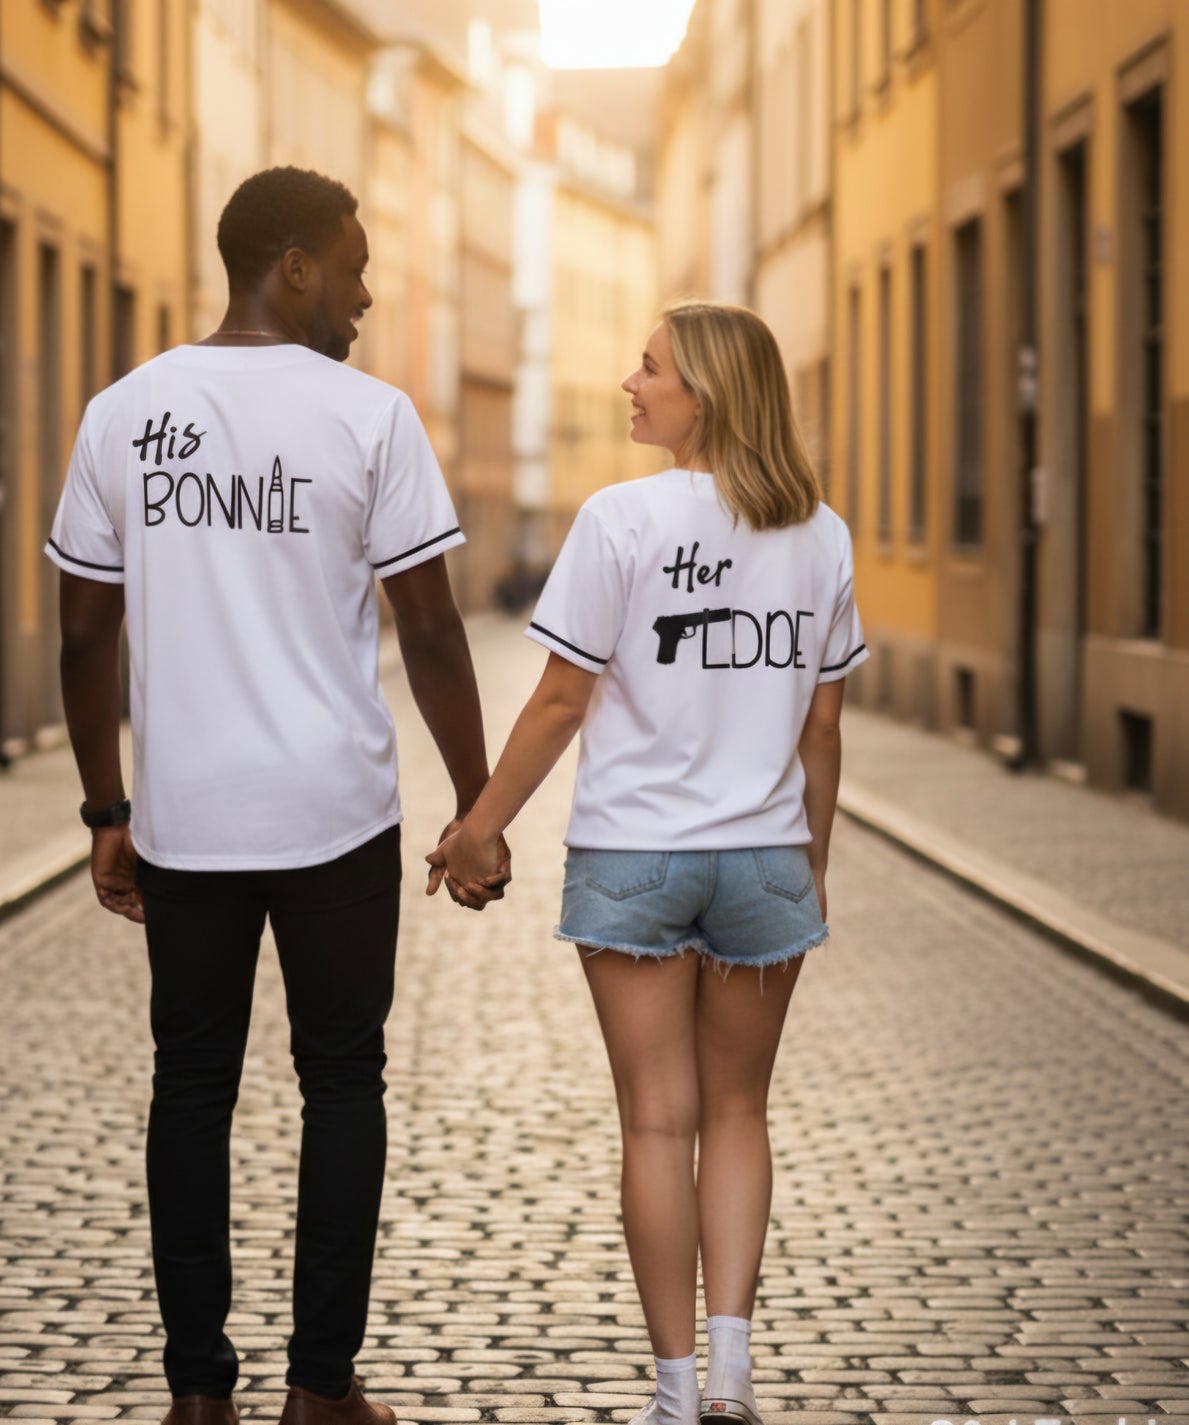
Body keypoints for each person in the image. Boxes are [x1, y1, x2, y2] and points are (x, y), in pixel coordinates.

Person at [50, 165, 509, 1425]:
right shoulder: (371, 419)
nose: (366, 295)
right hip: (332, 817)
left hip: (188, 815)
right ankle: (319, 1392)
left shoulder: (123, 414)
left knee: (190, 1088)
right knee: (341, 1082)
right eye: (354, 267)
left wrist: (108, 812)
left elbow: (85, 638)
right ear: (294, 264)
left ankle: (198, 1397)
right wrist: (476, 808)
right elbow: (427, 631)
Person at [427, 300, 868, 1425]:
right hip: (762, 855)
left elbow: (563, 699)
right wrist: (808, 862)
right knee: (738, 1115)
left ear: (704, 395)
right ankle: (730, 1379)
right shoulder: (818, 533)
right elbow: (821, 732)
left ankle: (673, 1394)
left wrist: (479, 825)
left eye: (648, 367)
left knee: (656, 1125)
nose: (628, 384)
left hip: (635, 855)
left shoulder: (619, 520)